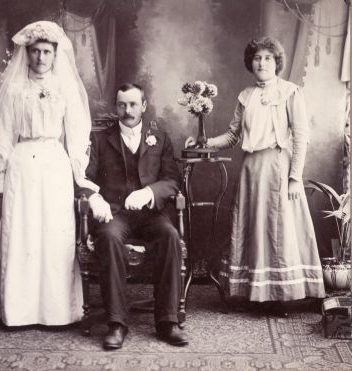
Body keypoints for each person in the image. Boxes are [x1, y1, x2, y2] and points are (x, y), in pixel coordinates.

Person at [186, 37, 325, 315]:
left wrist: (295, 177)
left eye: (268, 58)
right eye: (257, 58)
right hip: (251, 170)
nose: (262, 63)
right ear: (250, 62)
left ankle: (280, 295)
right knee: (254, 228)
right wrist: (203, 141)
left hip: (278, 167)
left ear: (277, 63)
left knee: (278, 229)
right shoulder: (245, 96)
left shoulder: (290, 92)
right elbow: (233, 135)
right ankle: (257, 294)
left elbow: (301, 136)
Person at [0, 21, 98, 326]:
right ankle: (17, 310)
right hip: (22, 162)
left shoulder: (64, 88)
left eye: (46, 52)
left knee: (56, 233)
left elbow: (77, 133)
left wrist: (78, 174)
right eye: (35, 51)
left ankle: (57, 311)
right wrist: (1, 172)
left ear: (55, 55)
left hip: (55, 163)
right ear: (26, 54)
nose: (41, 57)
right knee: (22, 231)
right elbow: (2, 132)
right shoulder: (15, 88)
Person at [78, 82, 188, 350]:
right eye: (122, 105)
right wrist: (94, 198)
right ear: (116, 106)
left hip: (150, 213)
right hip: (115, 213)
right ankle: (116, 323)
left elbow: (172, 181)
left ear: (144, 106)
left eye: (133, 104)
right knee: (109, 238)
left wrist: (149, 192)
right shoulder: (101, 139)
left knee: (170, 236)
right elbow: (84, 178)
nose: (127, 111)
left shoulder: (159, 138)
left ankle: (167, 322)